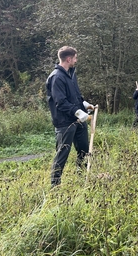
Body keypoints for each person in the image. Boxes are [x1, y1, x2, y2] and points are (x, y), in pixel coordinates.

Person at [45, 46, 94, 187]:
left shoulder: (71, 73)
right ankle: (55, 186)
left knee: (84, 151)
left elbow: (75, 96)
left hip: (78, 121)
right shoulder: (56, 77)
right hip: (64, 123)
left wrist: (85, 104)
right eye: (75, 58)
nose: (76, 60)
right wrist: (80, 113)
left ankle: (82, 178)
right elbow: (61, 103)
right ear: (68, 59)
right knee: (62, 153)